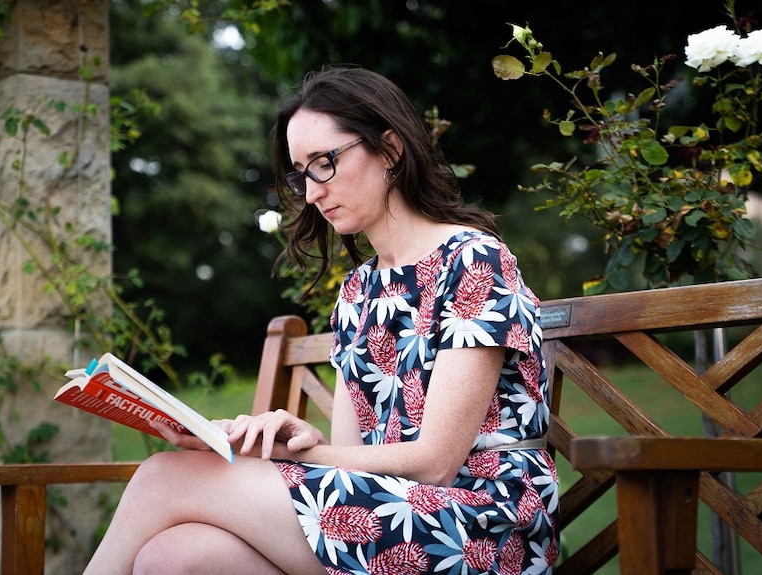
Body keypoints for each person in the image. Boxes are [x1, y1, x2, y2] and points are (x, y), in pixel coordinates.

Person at [83, 65, 559, 575]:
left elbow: (435, 461)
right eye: (300, 171)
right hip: (388, 514)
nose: (311, 192)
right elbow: (348, 455)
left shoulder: (474, 262)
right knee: (170, 558)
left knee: (165, 477)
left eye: (324, 163)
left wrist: (291, 464)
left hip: (480, 524)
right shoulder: (357, 293)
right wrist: (293, 445)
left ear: (391, 150)